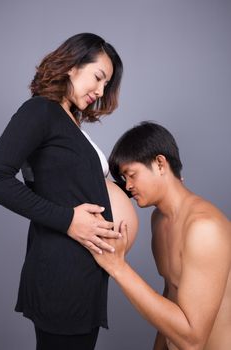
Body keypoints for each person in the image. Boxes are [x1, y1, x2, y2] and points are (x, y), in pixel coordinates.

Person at [0, 33, 138, 350]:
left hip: (83, 272)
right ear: (72, 64)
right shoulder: (40, 111)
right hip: (62, 273)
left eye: (105, 85)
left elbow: (72, 185)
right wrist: (68, 220)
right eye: (98, 77)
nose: (99, 92)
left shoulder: (68, 120)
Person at [90, 121, 231, 350]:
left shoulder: (204, 228)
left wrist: (118, 267)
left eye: (131, 174)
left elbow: (193, 340)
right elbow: (171, 298)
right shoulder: (159, 220)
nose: (128, 186)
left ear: (160, 163)